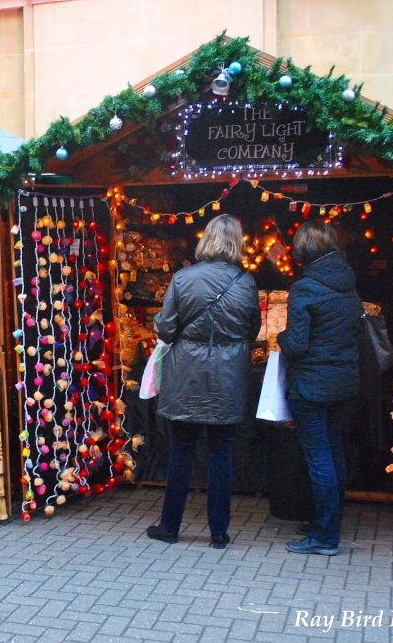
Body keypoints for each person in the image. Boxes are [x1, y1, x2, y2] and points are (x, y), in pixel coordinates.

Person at [146, 214, 261, 549]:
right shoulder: (246, 282)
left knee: (181, 450)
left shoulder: (183, 278)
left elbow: (166, 329)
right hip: (229, 374)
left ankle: (170, 527)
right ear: (237, 241)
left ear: (206, 239)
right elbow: (252, 330)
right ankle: (219, 532)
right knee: (222, 452)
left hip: (187, 373)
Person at [278, 221, 362, 556]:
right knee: (334, 452)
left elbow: (296, 345)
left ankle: (325, 535)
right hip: (343, 380)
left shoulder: (305, 288)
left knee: (319, 458)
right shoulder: (348, 282)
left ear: (302, 252)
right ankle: (327, 522)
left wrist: (281, 339)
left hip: (311, 384)